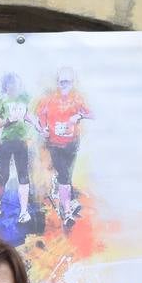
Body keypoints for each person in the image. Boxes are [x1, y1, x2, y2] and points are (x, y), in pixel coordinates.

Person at [35, 66, 91, 224]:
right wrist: (43, 128)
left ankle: (67, 200)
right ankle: (66, 213)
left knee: (67, 176)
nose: (64, 85)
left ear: (73, 83)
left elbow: (92, 113)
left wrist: (79, 115)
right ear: (57, 82)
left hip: (72, 144)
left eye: (68, 82)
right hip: (55, 144)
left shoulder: (77, 98)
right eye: (61, 82)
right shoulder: (49, 99)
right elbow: (40, 117)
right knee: (64, 177)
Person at [0, 72, 36, 224]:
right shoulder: (1, 101)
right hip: (4, 142)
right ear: (6, 86)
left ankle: (23, 212)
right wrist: (8, 120)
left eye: (16, 83)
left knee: (24, 176)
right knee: (4, 176)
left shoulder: (24, 98)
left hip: (21, 142)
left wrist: (37, 125)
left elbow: (27, 115)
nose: (14, 86)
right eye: (11, 84)